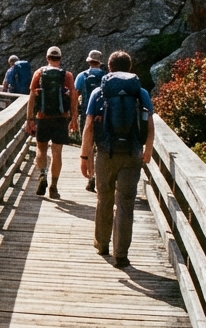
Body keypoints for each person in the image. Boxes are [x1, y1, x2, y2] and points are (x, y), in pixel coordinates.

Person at [79, 50, 155, 269]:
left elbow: (89, 126)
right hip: (132, 153)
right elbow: (149, 124)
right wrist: (147, 150)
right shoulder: (140, 92)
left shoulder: (99, 92)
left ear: (109, 68)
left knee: (104, 198)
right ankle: (121, 254)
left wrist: (85, 156)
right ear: (130, 69)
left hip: (105, 153)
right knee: (126, 203)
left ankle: (102, 244)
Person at [25, 46, 78, 200]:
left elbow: (32, 97)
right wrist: (74, 118)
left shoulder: (39, 73)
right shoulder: (67, 75)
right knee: (57, 152)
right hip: (61, 117)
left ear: (47, 58)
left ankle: (42, 174)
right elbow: (73, 97)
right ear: (60, 59)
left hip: (42, 116)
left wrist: (29, 119)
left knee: (41, 148)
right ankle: (54, 186)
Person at [74, 50, 107, 192]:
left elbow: (75, 96)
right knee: (101, 147)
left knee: (88, 146)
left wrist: (74, 116)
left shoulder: (82, 76)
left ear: (88, 61)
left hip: (87, 116)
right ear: (100, 62)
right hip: (103, 116)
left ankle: (91, 177)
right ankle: (102, 177)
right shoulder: (106, 77)